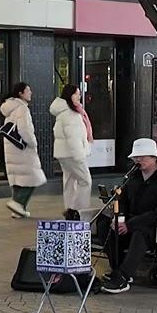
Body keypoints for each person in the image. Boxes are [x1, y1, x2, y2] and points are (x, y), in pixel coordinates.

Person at [99, 138, 157, 294]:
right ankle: (117, 269)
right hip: (129, 220)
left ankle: (123, 276)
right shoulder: (133, 176)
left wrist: (131, 224)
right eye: (136, 157)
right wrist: (119, 218)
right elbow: (122, 199)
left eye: (142, 157)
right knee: (104, 224)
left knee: (140, 232)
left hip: (154, 224)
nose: (138, 161)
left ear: (154, 158)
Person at [0, 82, 47, 218]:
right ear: (21, 93)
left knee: (18, 178)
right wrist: (33, 142)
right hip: (23, 149)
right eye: (28, 90)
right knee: (33, 177)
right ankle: (18, 203)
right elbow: (24, 129)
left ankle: (19, 209)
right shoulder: (22, 109)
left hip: (13, 149)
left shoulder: (10, 108)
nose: (30, 92)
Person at [49, 84, 93, 218]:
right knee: (85, 181)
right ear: (70, 96)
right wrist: (79, 155)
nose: (79, 96)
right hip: (73, 154)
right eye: (76, 94)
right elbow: (73, 137)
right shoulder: (71, 114)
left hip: (64, 154)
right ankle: (78, 211)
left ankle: (70, 208)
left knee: (69, 181)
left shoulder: (64, 112)